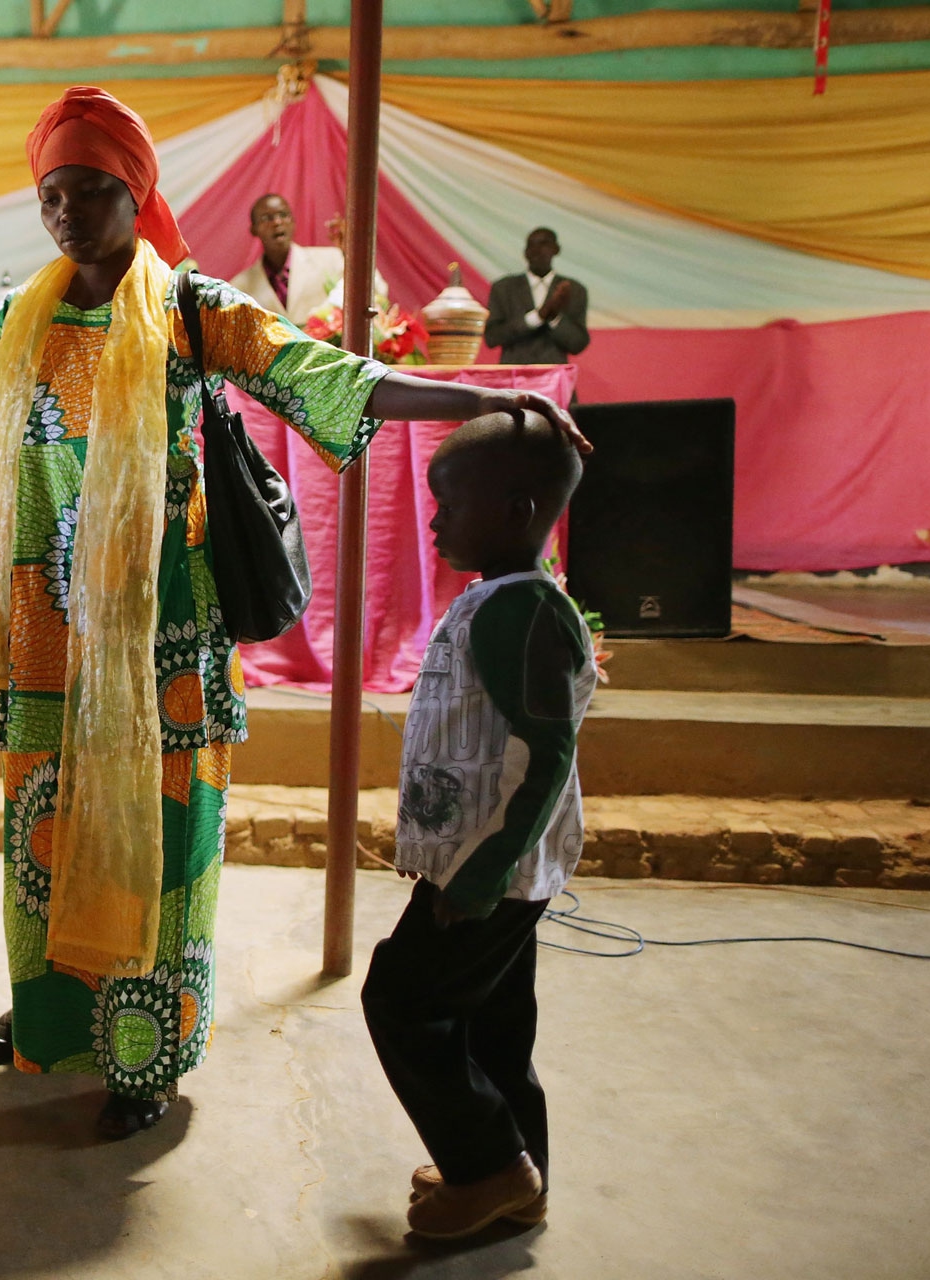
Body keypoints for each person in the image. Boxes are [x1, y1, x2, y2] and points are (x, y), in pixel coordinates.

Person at [0, 86, 587, 1140]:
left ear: (132, 193)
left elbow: (326, 379)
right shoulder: (13, 325)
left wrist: (478, 398)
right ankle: (48, 1016)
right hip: (46, 632)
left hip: (165, 638)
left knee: (162, 843)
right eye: (52, 192)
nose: (66, 210)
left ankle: (146, 1052)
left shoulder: (193, 310)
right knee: (42, 839)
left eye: (92, 189)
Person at [363, 410, 594, 1241]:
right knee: (495, 1024)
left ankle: (488, 1166)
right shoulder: (499, 599)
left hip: (488, 875)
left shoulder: (522, 611)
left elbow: (544, 756)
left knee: (401, 1002)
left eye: (450, 505)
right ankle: (518, 1178)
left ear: (519, 509)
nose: (434, 521)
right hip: (485, 867)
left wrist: (476, 876)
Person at [230, 192, 384, 324]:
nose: (277, 222)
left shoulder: (332, 259)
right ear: (253, 229)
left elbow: (377, 292)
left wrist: (354, 254)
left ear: (293, 221)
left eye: (283, 215)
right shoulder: (239, 287)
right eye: (267, 218)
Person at [484, 228, 590, 366]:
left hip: (555, 381)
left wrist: (554, 318)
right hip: (512, 381)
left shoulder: (574, 290)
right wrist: (536, 317)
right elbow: (492, 338)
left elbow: (577, 344)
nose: (537, 250)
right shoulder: (504, 288)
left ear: (556, 249)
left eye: (544, 244)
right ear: (525, 253)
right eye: (531, 245)